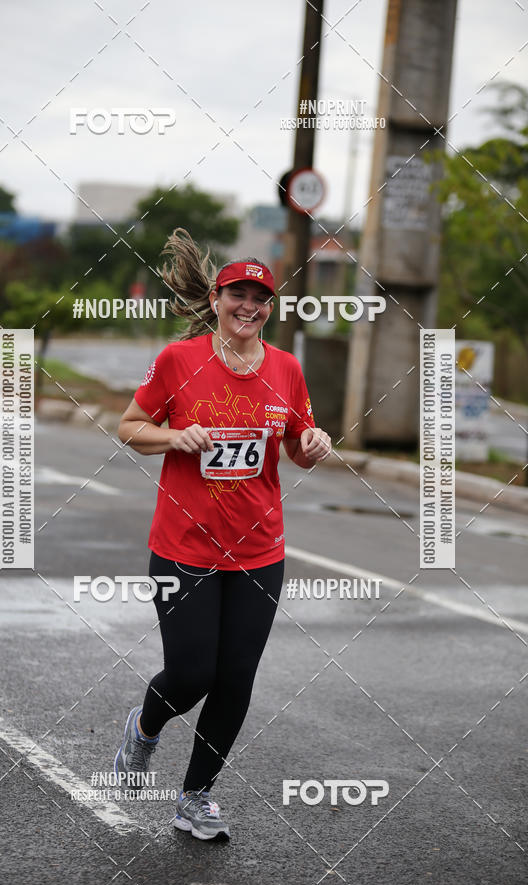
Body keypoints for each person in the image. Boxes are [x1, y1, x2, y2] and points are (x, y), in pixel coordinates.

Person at [115, 228, 331, 841]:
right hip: (184, 547)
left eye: (260, 298)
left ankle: (196, 798)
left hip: (259, 551)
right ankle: (144, 729)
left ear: (269, 308)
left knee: (236, 679)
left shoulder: (286, 370)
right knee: (190, 674)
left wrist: (314, 444)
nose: (250, 307)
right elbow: (128, 426)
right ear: (216, 299)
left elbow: (297, 447)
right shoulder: (179, 361)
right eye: (238, 294)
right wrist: (173, 436)